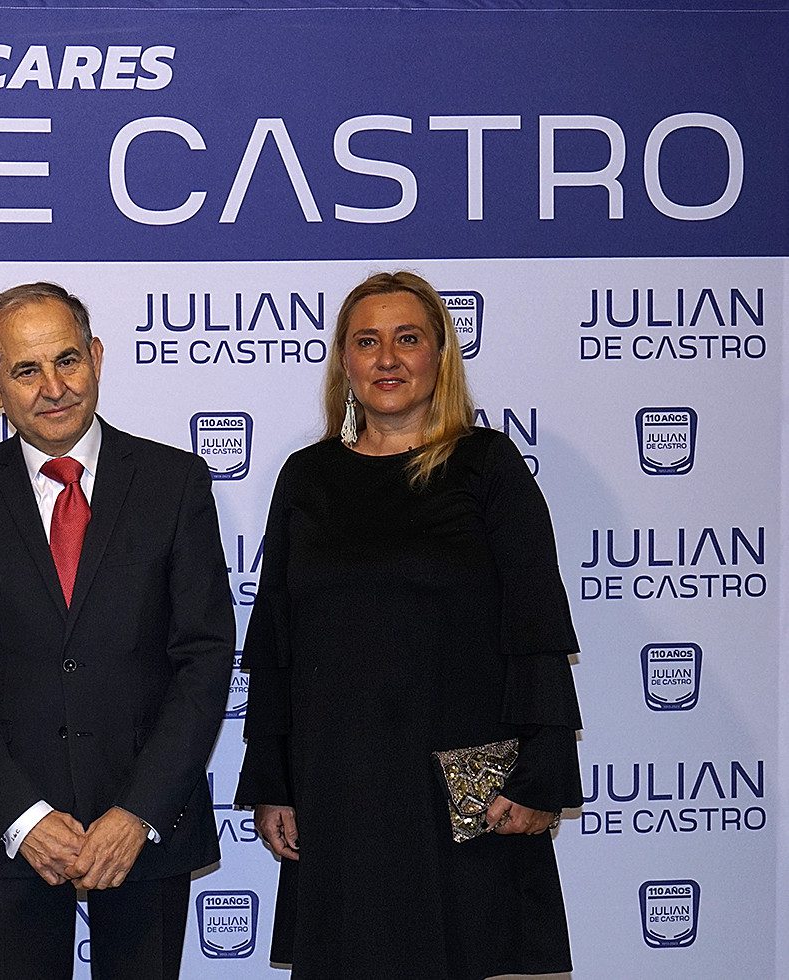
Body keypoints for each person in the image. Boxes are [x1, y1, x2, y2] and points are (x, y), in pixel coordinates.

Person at [235, 271, 584, 979]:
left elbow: (536, 628)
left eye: (408, 339)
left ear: (440, 355)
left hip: (464, 781)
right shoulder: (306, 477)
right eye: (367, 342)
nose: (387, 359)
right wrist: (272, 777)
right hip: (337, 780)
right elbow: (276, 643)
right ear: (345, 361)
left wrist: (543, 773)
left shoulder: (487, 467)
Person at [0, 281, 233, 979]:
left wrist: (138, 812)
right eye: (26, 370)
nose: (53, 387)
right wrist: (23, 817)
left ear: (97, 357)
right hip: (15, 838)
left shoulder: (174, 482)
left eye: (67, 360)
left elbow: (205, 659)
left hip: (146, 832)